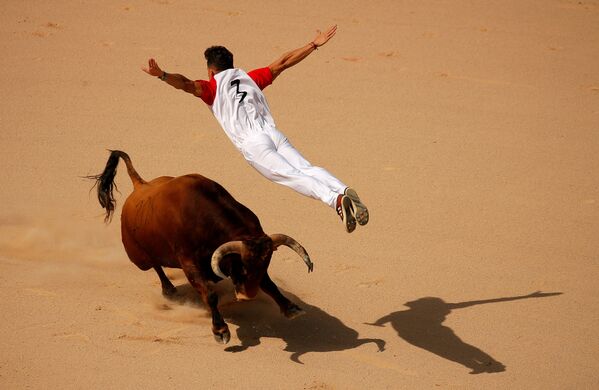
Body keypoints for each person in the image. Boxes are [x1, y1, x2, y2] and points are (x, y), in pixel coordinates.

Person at [142, 25, 368, 233]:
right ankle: (342, 189)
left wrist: (162, 75)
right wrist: (313, 44)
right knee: (306, 168)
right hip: (274, 134)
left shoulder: (211, 88)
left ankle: (334, 200)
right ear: (231, 64)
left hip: (255, 144)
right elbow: (283, 62)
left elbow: (185, 84)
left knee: (291, 176)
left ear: (211, 71)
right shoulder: (249, 78)